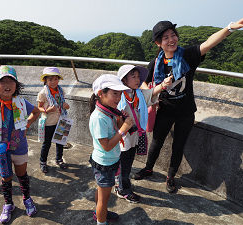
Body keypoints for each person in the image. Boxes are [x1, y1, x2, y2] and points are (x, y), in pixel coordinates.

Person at [133, 19, 243, 193]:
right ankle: (148, 168)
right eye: (166, 37)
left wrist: (229, 28)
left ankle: (170, 176)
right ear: (158, 43)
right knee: (156, 142)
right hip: (164, 110)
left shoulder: (187, 56)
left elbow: (208, 43)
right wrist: (155, 90)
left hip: (185, 112)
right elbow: (142, 83)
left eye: (173, 35)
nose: (171, 40)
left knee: (179, 145)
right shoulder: (156, 63)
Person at [0, 65, 40, 224]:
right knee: (6, 177)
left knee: (22, 174)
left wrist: (27, 124)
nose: (7, 84)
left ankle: (27, 199)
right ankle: (8, 204)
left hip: (20, 146)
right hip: (1, 147)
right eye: (2, 81)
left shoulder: (21, 102)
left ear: (16, 85)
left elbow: (36, 112)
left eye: (11, 80)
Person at [115, 64, 172, 203]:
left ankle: (121, 184)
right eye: (132, 77)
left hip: (134, 135)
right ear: (123, 80)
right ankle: (123, 189)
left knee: (127, 162)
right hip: (123, 137)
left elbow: (152, 92)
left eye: (138, 76)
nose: (137, 79)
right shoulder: (117, 95)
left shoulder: (138, 94)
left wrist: (164, 84)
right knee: (124, 163)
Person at [89, 74, 134, 225]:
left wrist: (121, 120)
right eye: (115, 93)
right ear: (101, 93)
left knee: (101, 191)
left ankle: (101, 212)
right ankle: (101, 220)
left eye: (120, 94)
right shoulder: (99, 117)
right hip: (104, 163)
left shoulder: (109, 111)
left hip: (109, 160)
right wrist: (124, 128)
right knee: (104, 198)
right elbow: (107, 146)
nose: (118, 98)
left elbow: (114, 130)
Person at [36, 67, 70, 173]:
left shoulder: (60, 91)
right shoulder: (43, 93)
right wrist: (47, 110)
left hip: (61, 120)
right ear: (45, 80)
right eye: (50, 79)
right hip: (49, 122)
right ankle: (43, 162)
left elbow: (63, 105)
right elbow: (39, 107)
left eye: (55, 79)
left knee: (60, 142)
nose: (53, 82)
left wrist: (66, 106)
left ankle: (59, 159)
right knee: (47, 143)